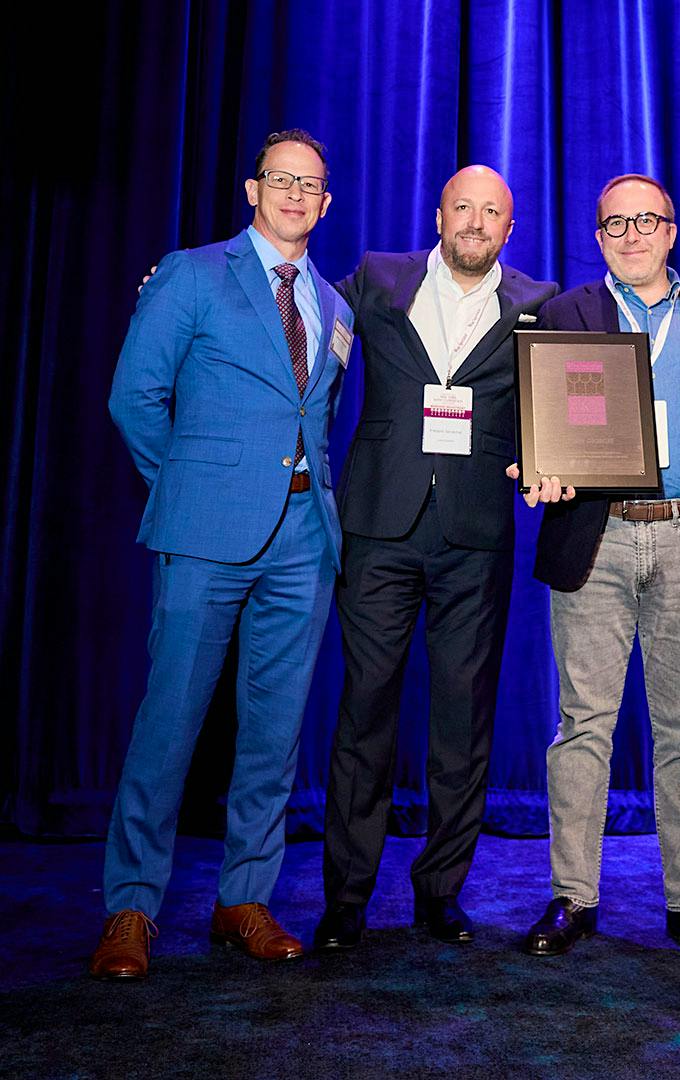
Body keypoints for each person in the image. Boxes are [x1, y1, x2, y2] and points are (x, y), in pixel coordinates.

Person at [93, 130, 354, 979]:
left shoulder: (333, 304)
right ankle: (131, 908)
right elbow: (135, 395)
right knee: (168, 726)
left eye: (309, 184)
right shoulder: (190, 274)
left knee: (274, 736)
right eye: (280, 178)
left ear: (324, 202)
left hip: (303, 540)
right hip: (204, 536)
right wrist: (187, 488)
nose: (293, 194)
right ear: (253, 189)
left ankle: (245, 898)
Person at [313, 166, 558, 951]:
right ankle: (347, 899)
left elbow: (580, 375)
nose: (477, 221)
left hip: (474, 535)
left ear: (509, 230)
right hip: (380, 525)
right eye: (465, 207)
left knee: (463, 719)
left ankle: (440, 893)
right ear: (441, 214)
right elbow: (297, 315)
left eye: (493, 212)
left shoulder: (538, 303)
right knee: (365, 713)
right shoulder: (377, 279)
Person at [510, 175, 680, 961]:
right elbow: (529, 416)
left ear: (673, 231)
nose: (633, 234)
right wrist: (535, 465)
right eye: (617, 224)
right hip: (595, 537)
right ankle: (573, 898)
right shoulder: (563, 314)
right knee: (584, 728)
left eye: (648, 220)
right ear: (600, 236)